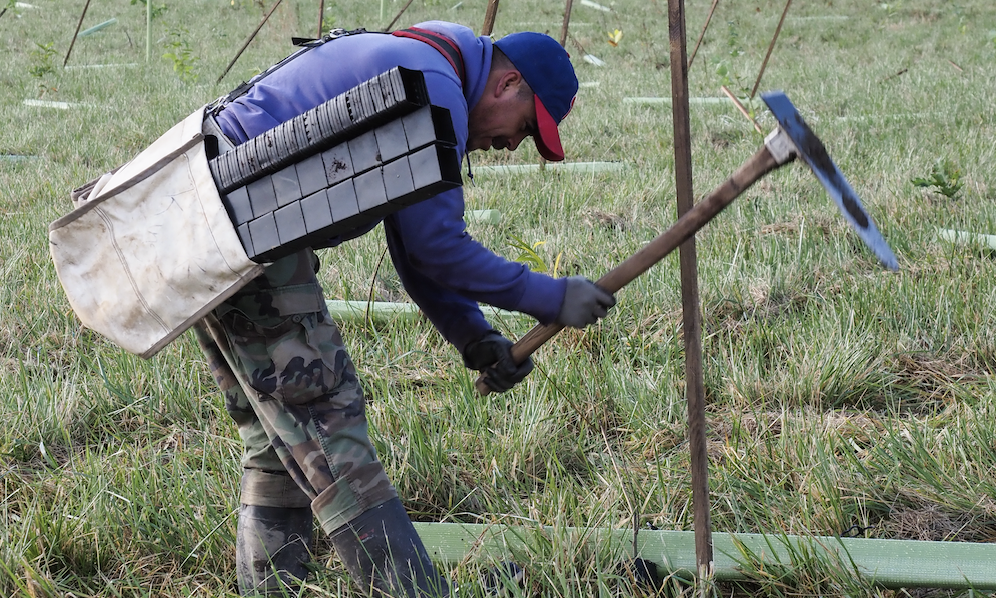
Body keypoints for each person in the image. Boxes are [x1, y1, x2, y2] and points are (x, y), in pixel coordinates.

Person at [195, 20, 616, 597]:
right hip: (245, 225)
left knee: (283, 439)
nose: (511, 146)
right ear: (507, 83)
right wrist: (551, 296)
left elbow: (411, 241)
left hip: (209, 219)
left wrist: (474, 335)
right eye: (524, 128)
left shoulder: (425, 65)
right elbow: (435, 246)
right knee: (329, 424)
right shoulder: (433, 84)